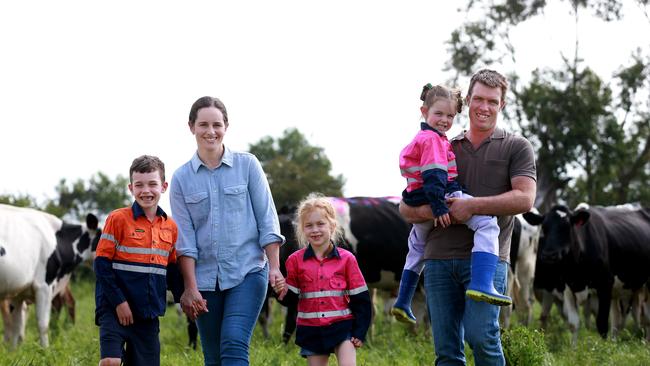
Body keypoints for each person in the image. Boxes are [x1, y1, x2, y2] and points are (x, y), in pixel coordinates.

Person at [399, 69, 536, 365]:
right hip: (437, 259)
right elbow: (405, 208)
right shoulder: (442, 144)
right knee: (446, 351)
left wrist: (473, 207)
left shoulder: (516, 146)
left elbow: (525, 198)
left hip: (487, 260)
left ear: (502, 105)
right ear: (468, 101)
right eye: (478, 99)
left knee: (481, 338)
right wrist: (436, 211)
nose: (484, 107)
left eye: (492, 101)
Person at [170, 96, 285, 366]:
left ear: (226, 126)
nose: (211, 131)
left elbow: (267, 220)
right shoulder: (181, 179)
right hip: (205, 280)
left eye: (217, 124)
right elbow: (184, 241)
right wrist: (190, 288)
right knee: (213, 356)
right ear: (191, 127)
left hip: (247, 271)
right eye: (203, 125)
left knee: (233, 342)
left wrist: (275, 267)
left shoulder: (248, 166)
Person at [391, 84, 511, 325]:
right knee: (487, 224)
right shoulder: (433, 140)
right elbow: (435, 174)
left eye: (450, 116)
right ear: (424, 111)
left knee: (416, 247)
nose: (444, 121)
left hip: (418, 196)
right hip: (441, 195)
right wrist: (439, 207)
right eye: (439, 114)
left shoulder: (422, 138)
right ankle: (482, 283)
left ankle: (403, 301)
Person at [94, 155, 181, 366]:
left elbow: (172, 271)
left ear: (163, 186)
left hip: (147, 314)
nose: (146, 191)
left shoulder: (170, 227)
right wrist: (119, 303)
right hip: (115, 308)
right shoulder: (117, 219)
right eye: (139, 185)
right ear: (131, 188)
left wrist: (184, 297)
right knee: (111, 362)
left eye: (152, 184)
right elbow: (102, 265)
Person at [277, 193, 372, 366]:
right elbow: (292, 300)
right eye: (309, 225)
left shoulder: (347, 259)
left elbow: (362, 300)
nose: (315, 230)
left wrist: (360, 332)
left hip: (343, 327)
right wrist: (282, 291)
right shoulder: (294, 261)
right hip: (311, 330)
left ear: (333, 225)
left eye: (321, 224)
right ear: (302, 229)